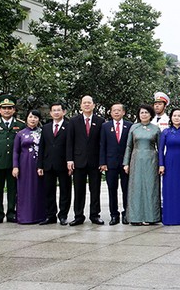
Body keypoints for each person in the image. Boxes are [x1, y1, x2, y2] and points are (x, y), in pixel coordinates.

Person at [0, 94, 26, 225]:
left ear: (14, 110)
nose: (7, 110)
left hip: (14, 163)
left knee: (13, 189)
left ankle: (12, 213)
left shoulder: (20, 125)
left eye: (10, 108)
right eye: (4, 108)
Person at [66, 95, 105, 226]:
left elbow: (102, 143)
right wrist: (69, 159)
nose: (87, 105)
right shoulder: (73, 121)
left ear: (94, 105)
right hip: (78, 160)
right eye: (84, 103)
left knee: (95, 189)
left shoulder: (100, 121)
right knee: (79, 190)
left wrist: (102, 161)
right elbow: (69, 141)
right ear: (81, 105)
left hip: (95, 161)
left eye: (89, 103)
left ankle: (95, 215)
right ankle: (78, 215)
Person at [124, 104, 161, 225]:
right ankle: (135, 217)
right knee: (136, 187)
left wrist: (161, 164)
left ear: (151, 115)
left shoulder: (156, 129)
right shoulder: (134, 128)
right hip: (136, 159)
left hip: (151, 160)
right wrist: (126, 163)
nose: (143, 115)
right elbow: (129, 146)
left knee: (151, 188)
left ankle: (151, 217)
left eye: (146, 112)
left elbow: (160, 148)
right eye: (141, 113)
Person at [37, 102, 72, 225]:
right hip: (48, 164)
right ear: (50, 113)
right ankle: (50, 215)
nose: (56, 112)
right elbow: (42, 147)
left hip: (63, 164)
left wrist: (70, 161)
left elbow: (70, 146)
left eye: (59, 110)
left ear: (64, 112)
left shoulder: (69, 127)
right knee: (48, 191)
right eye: (54, 110)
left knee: (65, 191)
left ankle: (63, 215)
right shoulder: (45, 128)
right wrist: (40, 165)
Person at [159, 107, 180, 225]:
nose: (176, 118)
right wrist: (161, 165)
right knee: (169, 189)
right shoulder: (166, 132)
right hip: (169, 163)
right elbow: (160, 150)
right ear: (171, 118)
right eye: (174, 115)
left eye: (179, 116)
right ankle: (170, 218)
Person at [99, 103, 132, 225]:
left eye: (119, 110)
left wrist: (129, 162)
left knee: (126, 189)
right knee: (112, 189)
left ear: (123, 112)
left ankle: (126, 214)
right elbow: (102, 145)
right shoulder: (105, 126)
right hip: (110, 163)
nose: (116, 112)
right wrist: (102, 162)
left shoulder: (130, 125)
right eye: (114, 110)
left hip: (125, 163)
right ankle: (114, 215)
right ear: (111, 112)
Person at [12, 109, 46, 224]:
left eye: (36, 117)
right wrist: (15, 166)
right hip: (24, 165)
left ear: (39, 120)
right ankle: (24, 217)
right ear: (26, 118)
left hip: (39, 165)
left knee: (38, 189)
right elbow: (15, 152)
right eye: (31, 117)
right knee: (24, 191)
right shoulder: (20, 134)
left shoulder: (43, 132)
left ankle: (40, 216)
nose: (33, 119)